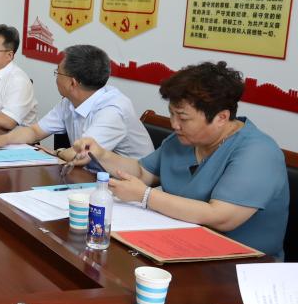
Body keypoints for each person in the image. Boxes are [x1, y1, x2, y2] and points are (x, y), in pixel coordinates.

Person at [71, 61, 288, 257]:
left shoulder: (259, 152)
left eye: (183, 117)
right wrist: (101, 154)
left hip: (240, 264)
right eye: (172, 114)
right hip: (177, 246)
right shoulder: (184, 139)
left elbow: (221, 217)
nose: (174, 124)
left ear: (221, 117)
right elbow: (142, 172)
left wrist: (146, 196)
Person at [0, 45, 152, 164]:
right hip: (92, 176)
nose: (55, 77)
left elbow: (80, 156)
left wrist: (57, 152)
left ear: (72, 83)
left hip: (129, 187)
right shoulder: (70, 101)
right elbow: (35, 131)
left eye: (58, 72)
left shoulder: (113, 110)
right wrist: (4, 139)